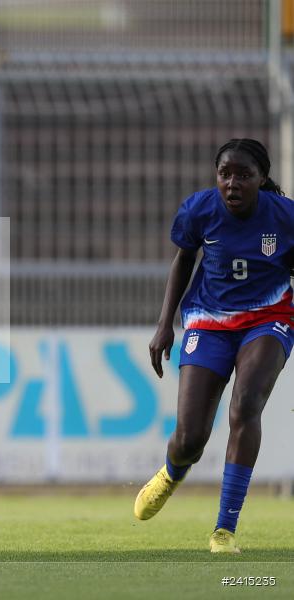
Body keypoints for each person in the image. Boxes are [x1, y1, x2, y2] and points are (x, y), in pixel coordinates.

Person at [135, 139, 294, 553]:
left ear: (261, 178)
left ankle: (224, 530)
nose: (232, 183)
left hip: (268, 318)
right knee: (190, 438)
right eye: (225, 174)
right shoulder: (199, 210)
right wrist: (164, 324)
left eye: (243, 175)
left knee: (246, 406)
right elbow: (183, 260)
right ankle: (172, 472)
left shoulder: (285, 216)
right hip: (209, 320)